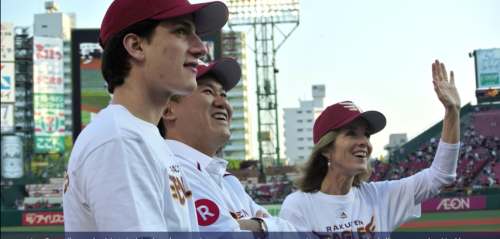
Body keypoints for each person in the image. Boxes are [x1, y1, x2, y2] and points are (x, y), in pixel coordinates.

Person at [63, 0, 228, 232]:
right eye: (181, 31)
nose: (201, 48)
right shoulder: (122, 140)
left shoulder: (138, 135)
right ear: (136, 46)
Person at [279, 60, 461, 237]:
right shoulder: (298, 206)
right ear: (326, 149)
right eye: (351, 133)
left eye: (366, 134)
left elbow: (440, 175)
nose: (364, 141)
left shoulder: (379, 197)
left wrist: (452, 112)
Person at [157, 57, 296, 236]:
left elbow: (293, 232)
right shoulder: (172, 168)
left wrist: (255, 228)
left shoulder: (228, 180)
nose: (222, 103)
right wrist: (265, 226)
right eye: (207, 91)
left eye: (223, 95)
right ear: (167, 110)